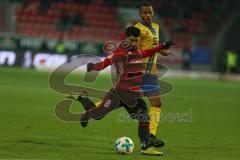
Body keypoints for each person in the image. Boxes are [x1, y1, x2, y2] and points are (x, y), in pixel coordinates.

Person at [69, 26, 174, 156]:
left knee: (144, 118)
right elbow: (106, 62)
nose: (134, 43)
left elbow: (149, 52)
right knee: (97, 116)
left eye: (136, 40)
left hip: (134, 96)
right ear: (126, 39)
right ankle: (83, 100)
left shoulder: (138, 52)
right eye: (131, 40)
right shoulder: (119, 53)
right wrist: (93, 67)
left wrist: (162, 46)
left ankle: (145, 147)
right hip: (118, 93)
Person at [134, 2, 171, 146]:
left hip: (152, 74)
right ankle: (93, 109)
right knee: (123, 102)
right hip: (138, 72)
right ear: (140, 14)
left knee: (157, 102)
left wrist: (163, 50)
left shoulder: (156, 27)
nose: (148, 15)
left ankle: (151, 135)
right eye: (145, 13)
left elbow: (154, 46)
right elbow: (133, 49)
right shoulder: (138, 29)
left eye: (150, 12)